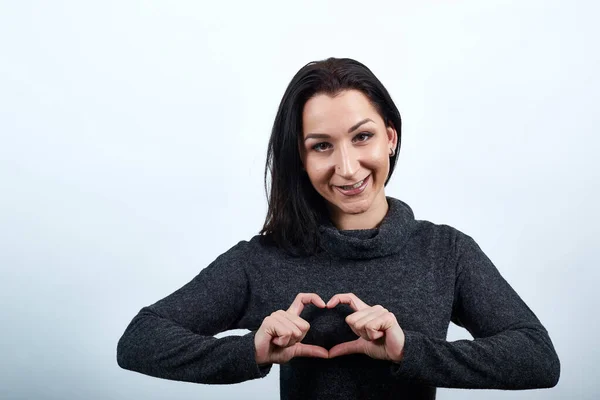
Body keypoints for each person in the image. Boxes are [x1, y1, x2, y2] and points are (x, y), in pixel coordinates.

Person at [116, 57, 560, 399]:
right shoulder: (262, 259)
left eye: (362, 136)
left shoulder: (446, 251)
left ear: (390, 137)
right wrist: (250, 351)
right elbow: (140, 339)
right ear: (302, 158)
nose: (347, 168)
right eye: (322, 146)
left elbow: (537, 358)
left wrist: (410, 351)